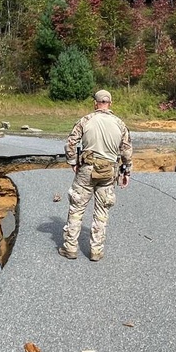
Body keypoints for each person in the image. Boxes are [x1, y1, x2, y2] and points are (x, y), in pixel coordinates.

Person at [58, 89, 133, 262]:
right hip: (108, 171)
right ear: (110, 104)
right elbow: (127, 151)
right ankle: (96, 251)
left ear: (95, 103)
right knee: (102, 210)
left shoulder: (86, 120)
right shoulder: (120, 124)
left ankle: (70, 247)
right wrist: (126, 171)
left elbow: (70, 143)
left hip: (87, 169)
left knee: (77, 207)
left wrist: (73, 162)